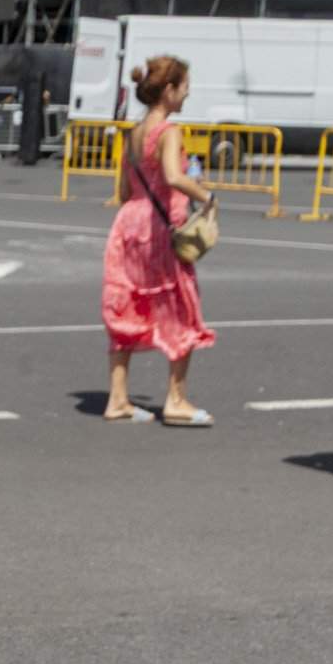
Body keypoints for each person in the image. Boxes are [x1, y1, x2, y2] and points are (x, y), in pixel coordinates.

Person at [99, 55, 217, 425]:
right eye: (184, 87)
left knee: (127, 303)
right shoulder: (169, 132)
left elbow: (122, 189)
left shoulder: (132, 134)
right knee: (179, 304)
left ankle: (118, 399)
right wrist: (205, 196)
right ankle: (176, 400)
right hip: (158, 227)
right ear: (169, 91)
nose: (187, 93)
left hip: (128, 225)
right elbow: (172, 176)